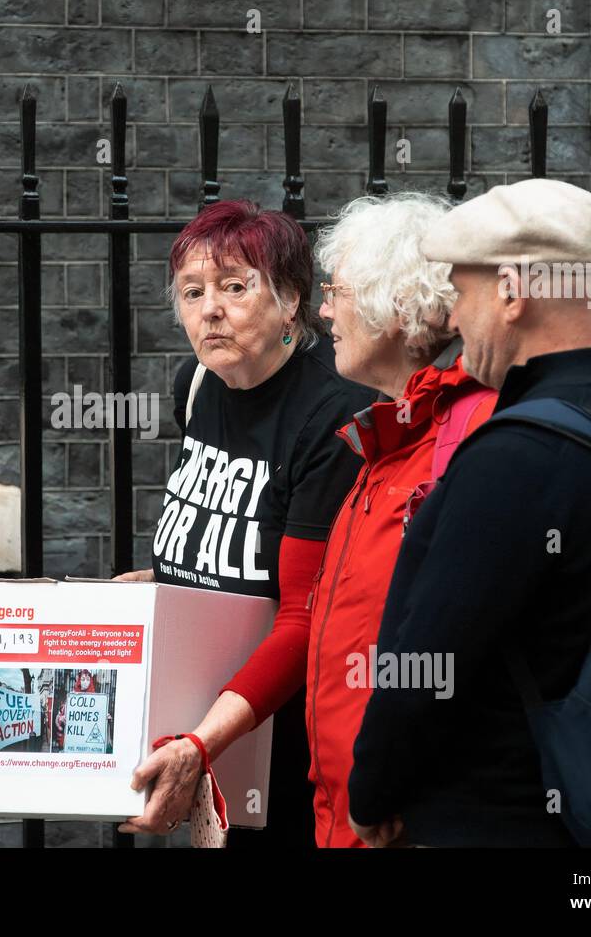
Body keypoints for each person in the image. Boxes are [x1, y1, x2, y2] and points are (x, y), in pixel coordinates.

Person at [346, 179, 591, 847]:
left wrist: (372, 791)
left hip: (495, 818)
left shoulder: (519, 453)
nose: (453, 320)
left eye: (461, 292)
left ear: (513, 294)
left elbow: (432, 653)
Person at [114, 199, 372, 846]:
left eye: (235, 287)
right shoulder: (198, 386)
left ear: (290, 301)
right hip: (211, 738)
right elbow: (235, 543)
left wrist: (201, 743)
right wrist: (165, 581)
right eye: (193, 292)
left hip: (287, 752)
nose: (210, 310)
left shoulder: (331, 417)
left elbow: (303, 614)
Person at [306, 193, 496, 847]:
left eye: (338, 291)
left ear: (395, 302)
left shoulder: (465, 437)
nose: (324, 309)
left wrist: (386, 785)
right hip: (352, 813)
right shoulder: (389, 442)